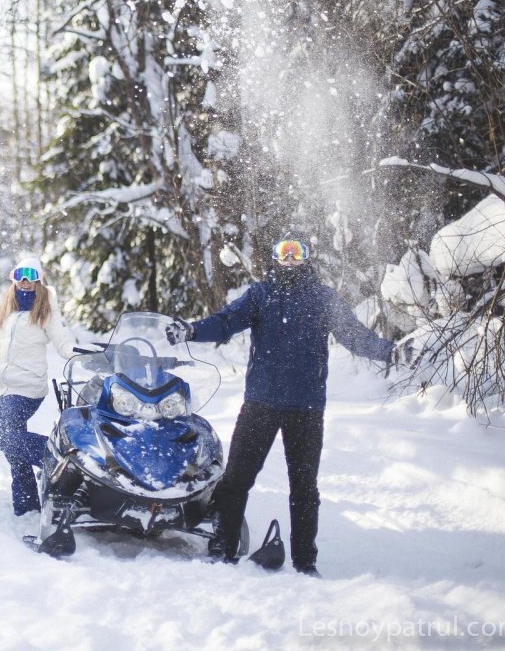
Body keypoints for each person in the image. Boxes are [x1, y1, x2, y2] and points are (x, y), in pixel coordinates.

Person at [165, 237, 406, 575]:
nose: (290, 259)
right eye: (284, 253)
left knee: (304, 488)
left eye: (297, 253)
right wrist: (191, 330)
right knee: (235, 481)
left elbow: (354, 335)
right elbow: (225, 322)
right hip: (260, 405)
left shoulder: (323, 299)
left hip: (306, 409)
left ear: (307, 258)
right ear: (275, 258)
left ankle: (305, 562)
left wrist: (389, 351)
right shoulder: (261, 295)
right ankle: (222, 551)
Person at [0, 259, 76, 516]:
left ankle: (57, 458)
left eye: (30, 275)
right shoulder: (7, 307)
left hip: (26, 388)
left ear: (38, 279)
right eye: (19, 275)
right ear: (14, 279)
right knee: (15, 448)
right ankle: (26, 507)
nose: (24, 280)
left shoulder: (47, 309)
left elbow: (63, 341)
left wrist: (80, 353)